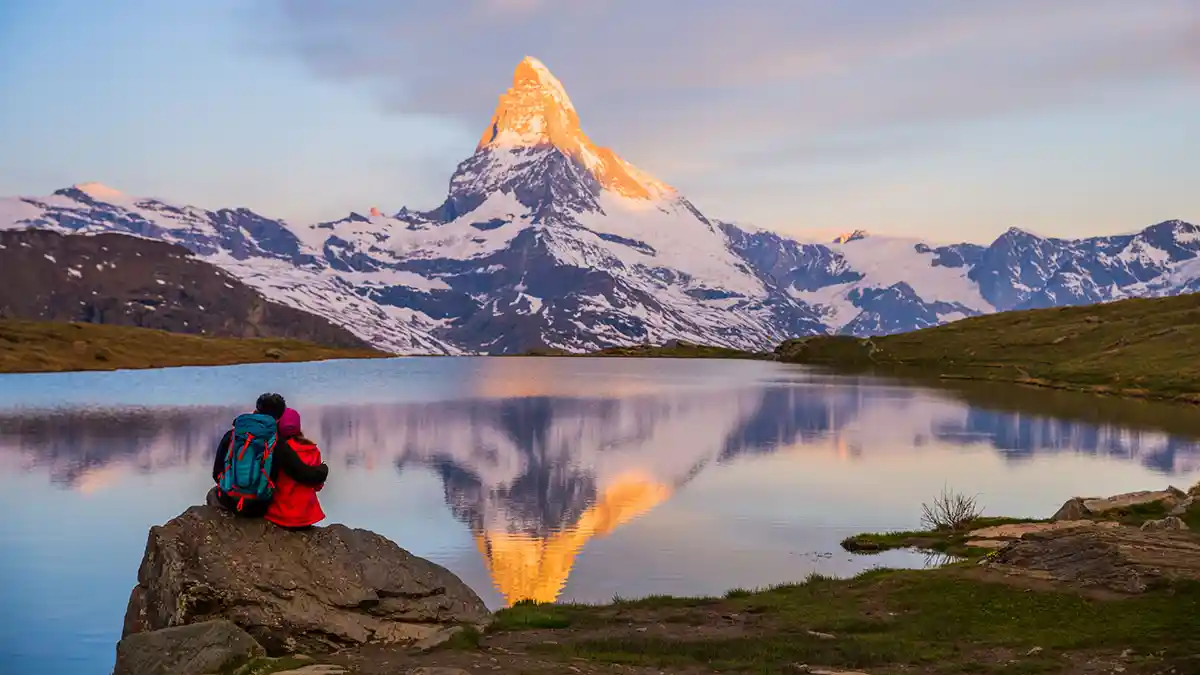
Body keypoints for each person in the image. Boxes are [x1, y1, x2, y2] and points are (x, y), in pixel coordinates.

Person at [210, 393, 328, 517]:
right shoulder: (277, 442)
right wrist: (323, 470)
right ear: (278, 419)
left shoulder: (233, 435)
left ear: (256, 410)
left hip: (229, 500)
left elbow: (216, 473)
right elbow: (303, 474)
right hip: (258, 507)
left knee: (212, 494)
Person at [264, 407, 327, 530]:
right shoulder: (312, 450)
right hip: (306, 516)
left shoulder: (274, 449)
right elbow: (318, 486)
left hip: (279, 515)